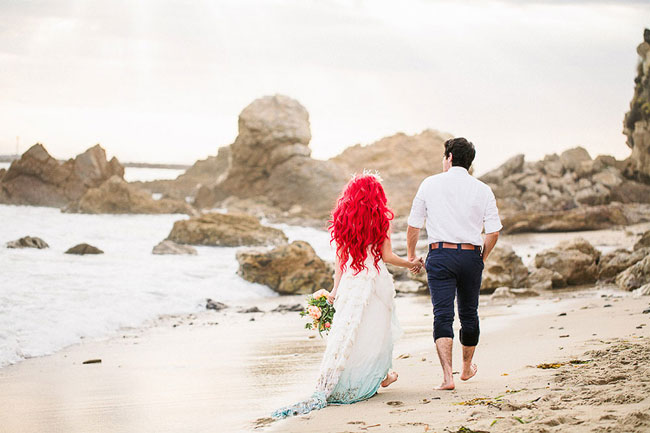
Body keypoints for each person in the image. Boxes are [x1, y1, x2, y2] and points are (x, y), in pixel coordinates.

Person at [272, 172, 422, 419]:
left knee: (350, 334)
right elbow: (386, 256)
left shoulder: (343, 219)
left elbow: (340, 260)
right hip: (374, 282)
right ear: (377, 196)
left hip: (351, 283)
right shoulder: (380, 219)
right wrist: (410, 264)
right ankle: (380, 376)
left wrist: (335, 290)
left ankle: (377, 376)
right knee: (376, 332)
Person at [406, 137, 501, 391]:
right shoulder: (483, 189)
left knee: (443, 314)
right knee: (469, 313)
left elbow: (414, 225)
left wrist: (412, 256)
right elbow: (493, 232)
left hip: (440, 255)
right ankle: (466, 368)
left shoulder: (430, 183)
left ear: (449, 157)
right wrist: (481, 258)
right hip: (471, 256)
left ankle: (448, 377)